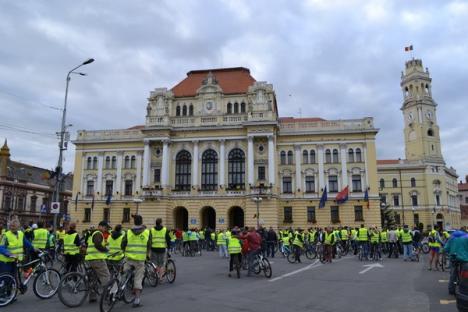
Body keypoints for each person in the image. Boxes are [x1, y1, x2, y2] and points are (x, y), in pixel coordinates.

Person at [121, 215, 151, 308]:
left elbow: (123, 243)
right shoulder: (147, 232)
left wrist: (124, 250)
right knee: (138, 278)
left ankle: (113, 293)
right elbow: (149, 245)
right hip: (140, 259)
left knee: (122, 275)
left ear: (134, 222)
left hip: (129, 258)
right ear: (141, 222)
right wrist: (147, 255)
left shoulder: (128, 232)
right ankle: (137, 301)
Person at [85, 221, 110, 303]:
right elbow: (97, 244)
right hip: (97, 259)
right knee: (105, 276)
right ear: (100, 226)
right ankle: (107, 295)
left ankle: (92, 296)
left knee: (93, 278)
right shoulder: (98, 233)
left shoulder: (92, 233)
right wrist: (105, 250)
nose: (106, 230)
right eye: (105, 228)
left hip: (90, 259)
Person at [444, 231, 468, 295]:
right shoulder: (466, 238)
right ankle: (464, 288)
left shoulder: (452, 238)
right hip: (464, 259)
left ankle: (451, 290)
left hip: (454, 258)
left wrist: (448, 252)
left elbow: (446, 248)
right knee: (465, 274)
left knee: (452, 274)